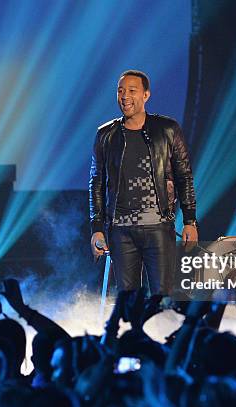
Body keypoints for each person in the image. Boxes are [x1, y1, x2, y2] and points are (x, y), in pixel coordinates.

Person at [89, 70, 198, 296]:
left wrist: (190, 220)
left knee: (161, 297)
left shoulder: (167, 129)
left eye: (131, 90)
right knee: (128, 300)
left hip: (158, 227)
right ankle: (133, 332)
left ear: (146, 95)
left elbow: (183, 175)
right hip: (121, 230)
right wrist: (97, 229)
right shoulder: (106, 135)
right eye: (120, 91)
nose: (124, 96)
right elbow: (96, 183)